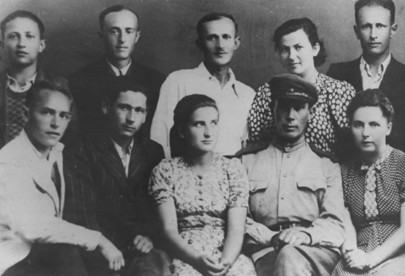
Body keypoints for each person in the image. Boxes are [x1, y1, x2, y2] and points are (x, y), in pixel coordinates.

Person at [0, 80, 122, 275]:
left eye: (64, 116)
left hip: (44, 253)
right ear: (26, 113)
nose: (56, 123)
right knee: (68, 255)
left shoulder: (57, 152)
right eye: (47, 112)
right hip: (14, 260)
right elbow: (34, 227)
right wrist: (99, 239)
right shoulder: (10, 160)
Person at [240, 74, 345, 276]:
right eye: (284, 107)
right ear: (273, 110)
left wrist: (306, 235)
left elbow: (335, 224)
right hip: (265, 249)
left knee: (289, 257)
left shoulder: (326, 165)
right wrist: (270, 237)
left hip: (315, 250)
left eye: (298, 107)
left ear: (311, 112)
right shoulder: (246, 162)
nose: (290, 116)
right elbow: (239, 221)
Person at [64, 79, 169, 276]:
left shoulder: (153, 152)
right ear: (106, 107)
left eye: (139, 110)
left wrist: (148, 236)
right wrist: (104, 246)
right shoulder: (82, 150)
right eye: (124, 108)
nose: (131, 118)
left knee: (157, 267)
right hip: (96, 249)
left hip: (138, 249)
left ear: (146, 115)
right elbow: (82, 214)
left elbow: (156, 208)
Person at [149, 94, 256, 275]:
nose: (208, 132)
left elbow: (237, 228)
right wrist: (197, 261)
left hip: (227, 253)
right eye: (199, 124)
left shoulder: (232, 169)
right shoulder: (166, 170)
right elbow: (169, 230)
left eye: (214, 123)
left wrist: (225, 263)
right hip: (185, 255)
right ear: (182, 130)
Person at [332, 89, 405, 276]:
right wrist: (351, 253)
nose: (365, 133)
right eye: (358, 125)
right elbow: (345, 222)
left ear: (388, 127)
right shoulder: (344, 170)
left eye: (373, 124)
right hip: (359, 251)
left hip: (399, 253)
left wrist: (371, 259)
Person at [327, 0, 405, 154]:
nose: (373, 35)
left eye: (380, 26)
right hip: (347, 170)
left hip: (396, 173)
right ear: (356, 31)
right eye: (366, 26)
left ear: (392, 30)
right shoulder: (337, 74)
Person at [150, 12, 255, 158]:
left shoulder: (248, 94)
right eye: (212, 38)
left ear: (236, 43)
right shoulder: (178, 81)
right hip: (185, 174)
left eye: (226, 37)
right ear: (200, 44)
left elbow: (251, 148)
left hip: (233, 175)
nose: (220, 45)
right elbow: (159, 139)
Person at [248, 17, 355, 156]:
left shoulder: (338, 92)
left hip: (324, 174)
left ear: (315, 49)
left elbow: (351, 147)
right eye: (285, 49)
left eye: (298, 47)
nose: (292, 56)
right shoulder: (267, 93)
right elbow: (256, 144)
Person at [69, 4, 165, 138]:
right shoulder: (79, 80)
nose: (122, 39)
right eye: (114, 31)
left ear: (137, 36)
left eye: (129, 31)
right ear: (101, 35)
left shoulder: (156, 81)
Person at [0, 10, 63, 148]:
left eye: (29, 36)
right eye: (13, 36)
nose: (21, 43)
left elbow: (72, 140)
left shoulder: (58, 86)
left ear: (41, 45)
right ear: (2, 44)